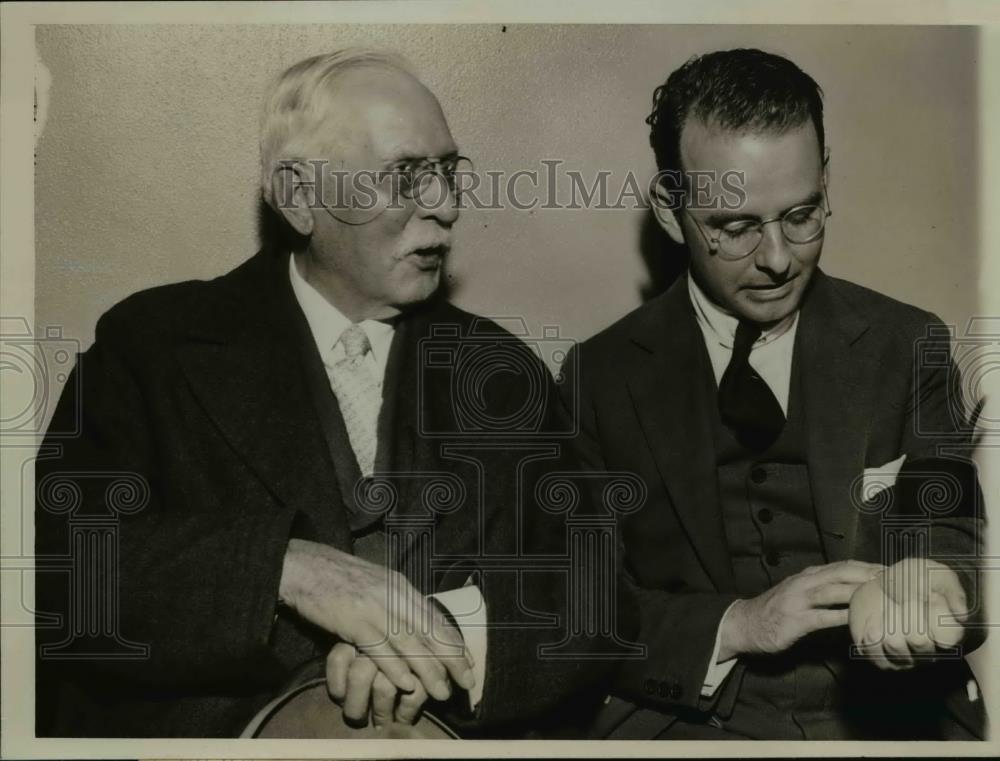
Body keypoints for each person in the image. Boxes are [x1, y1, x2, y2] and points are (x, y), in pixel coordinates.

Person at [35, 49, 632, 739]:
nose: (443, 207)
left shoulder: (499, 367)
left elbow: (599, 590)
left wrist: (448, 633)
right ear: (298, 196)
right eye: (405, 176)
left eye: (446, 173)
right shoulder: (154, 345)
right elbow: (55, 562)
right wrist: (283, 569)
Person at [564, 48, 987, 740]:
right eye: (735, 227)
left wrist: (933, 578)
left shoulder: (908, 343)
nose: (779, 257)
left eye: (802, 214)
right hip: (691, 719)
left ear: (826, 182)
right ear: (672, 212)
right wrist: (741, 622)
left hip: (893, 715)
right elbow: (585, 604)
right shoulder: (597, 377)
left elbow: (954, 522)